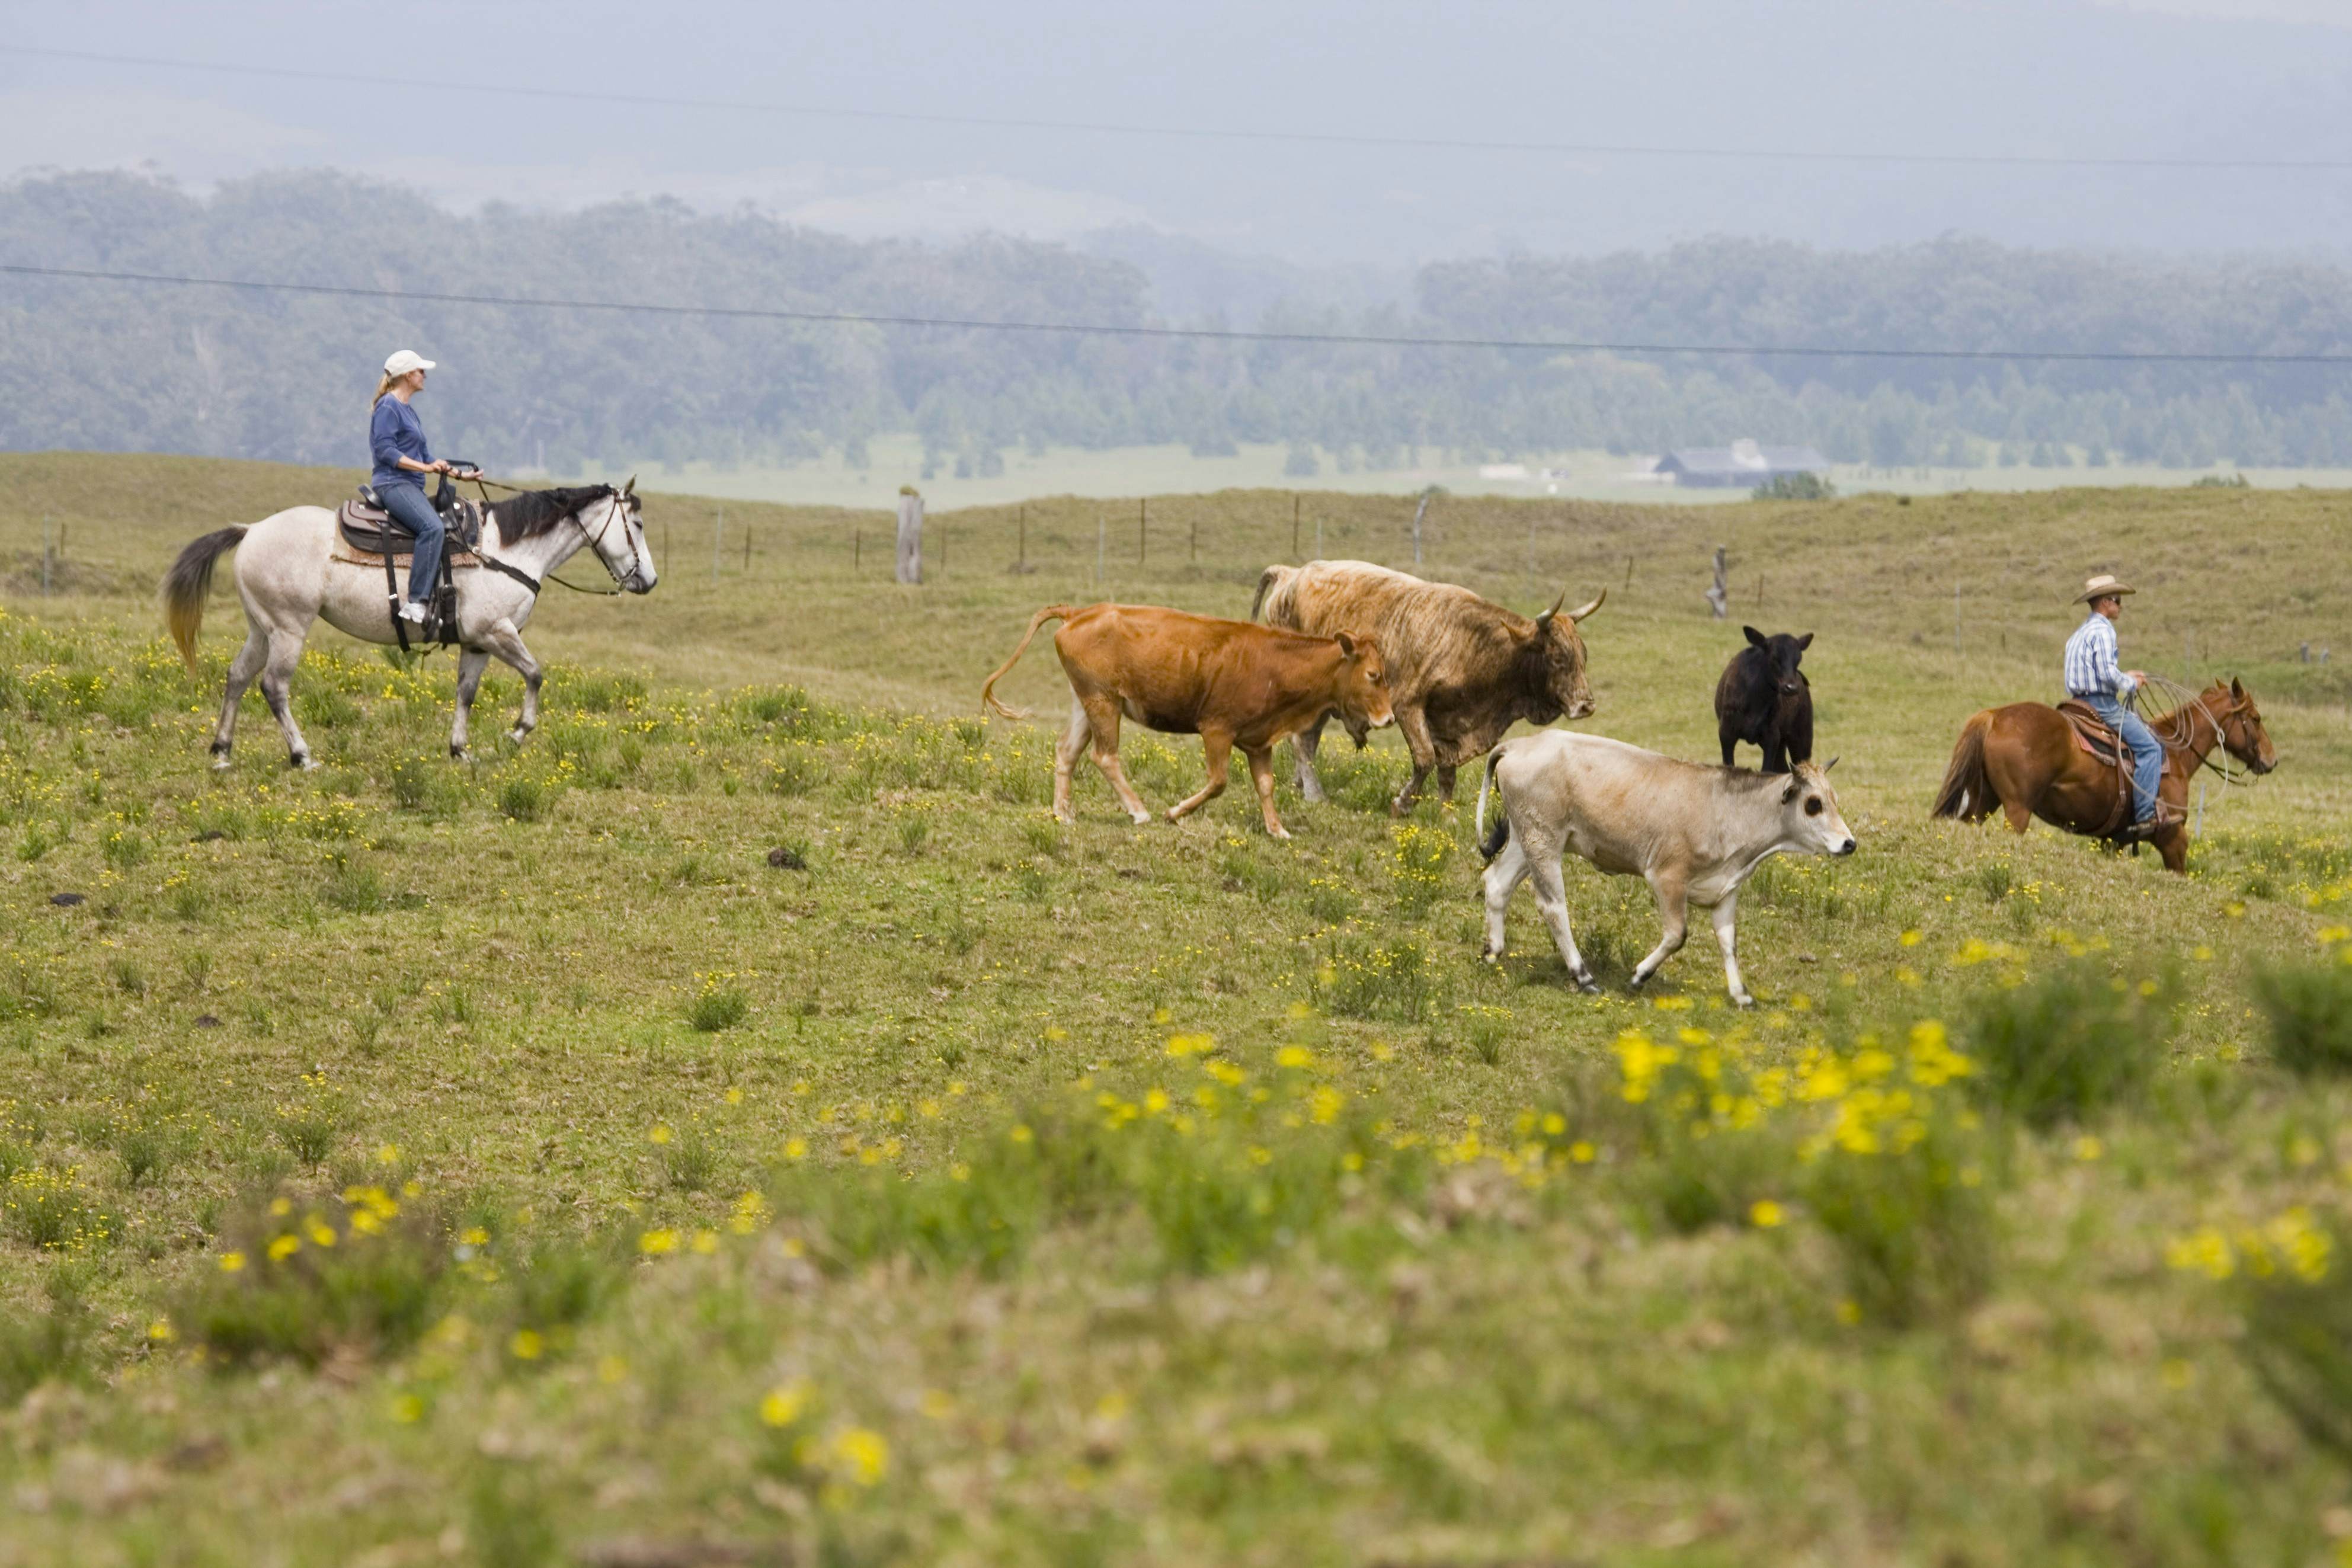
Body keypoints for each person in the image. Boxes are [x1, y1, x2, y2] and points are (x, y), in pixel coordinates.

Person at [2062, 572, 2180, 839]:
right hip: (2101, 705)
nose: (2120, 605)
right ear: (2105, 602)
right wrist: (2130, 683)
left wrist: (2126, 675)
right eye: (2117, 600)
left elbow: (2096, 671)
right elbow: (2106, 674)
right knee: (2151, 748)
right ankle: (2145, 814)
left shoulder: (2079, 633)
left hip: (2075, 703)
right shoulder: (2104, 630)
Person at [367, 349, 468, 627]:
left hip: (410, 484)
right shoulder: (388, 406)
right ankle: (416, 602)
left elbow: (426, 456)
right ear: (407, 375)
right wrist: (424, 468)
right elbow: (386, 451)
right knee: (432, 528)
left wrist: (461, 474)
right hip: (393, 482)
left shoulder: (408, 411)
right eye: (421, 371)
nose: (425, 375)